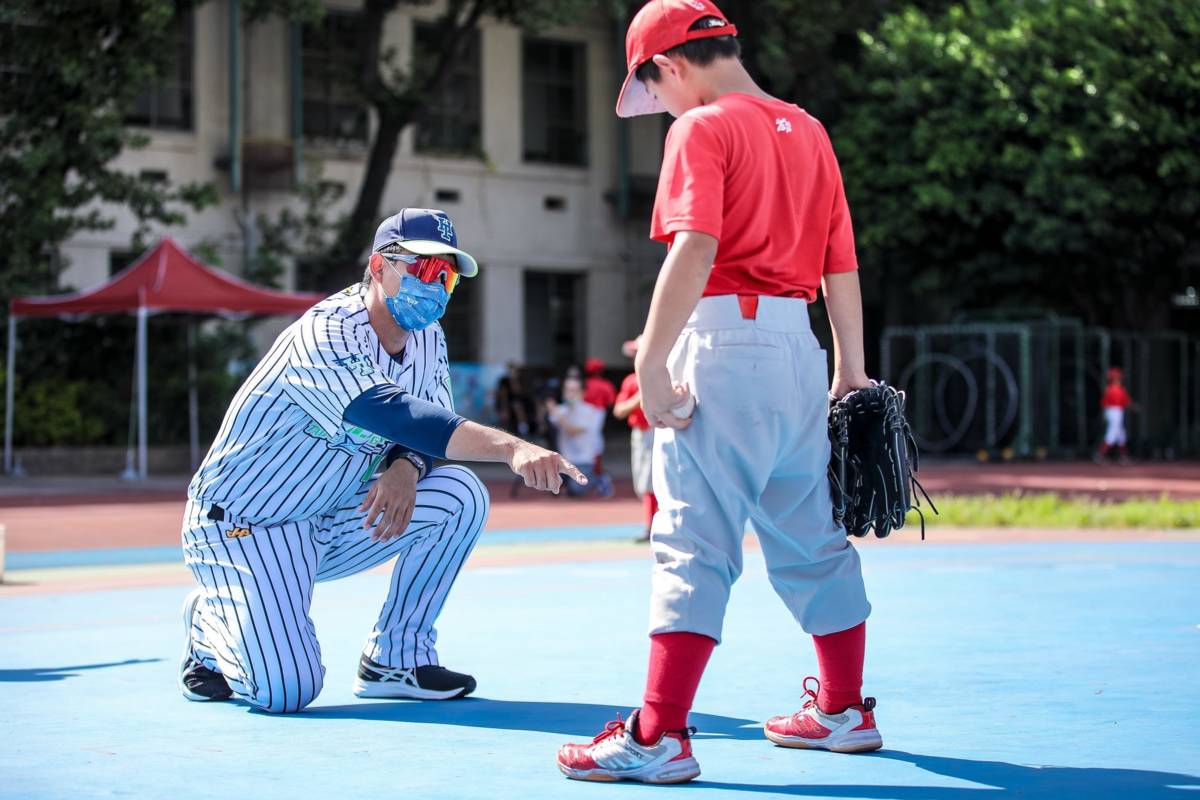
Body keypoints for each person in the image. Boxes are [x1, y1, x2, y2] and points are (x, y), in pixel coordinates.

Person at [556, 1, 878, 784]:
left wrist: (656, 362)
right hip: (799, 348)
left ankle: (658, 734)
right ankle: (843, 709)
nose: (659, 108)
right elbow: (840, 262)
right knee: (813, 536)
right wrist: (850, 370)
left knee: (693, 543)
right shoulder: (810, 128)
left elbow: (696, 247)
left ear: (668, 65)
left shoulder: (699, 130)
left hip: (724, 345)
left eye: (654, 91)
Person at [178, 208, 585, 714]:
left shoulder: (427, 337)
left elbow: (426, 429)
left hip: (331, 517)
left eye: (449, 276)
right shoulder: (324, 333)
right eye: (425, 269)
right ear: (379, 267)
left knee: (461, 494)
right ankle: (214, 617)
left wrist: (405, 467)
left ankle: (396, 659)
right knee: (287, 691)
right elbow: (395, 413)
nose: (436, 287)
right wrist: (512, 447)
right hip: (246, 525)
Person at [615, 338, 657, 542]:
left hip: (658, 430)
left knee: (652, 481)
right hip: (641, 433)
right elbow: (619, 411)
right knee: (643, 481)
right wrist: (640, 396)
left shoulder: (663, 376)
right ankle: (653, 524)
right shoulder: (631, 381)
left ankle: (653, 526)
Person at [546, 375, 615, 498]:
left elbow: (572, 430)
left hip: (584, 460)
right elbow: (549, 424)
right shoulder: (561, 410)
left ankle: (599, 478)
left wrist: (554, 410)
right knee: (551, 487)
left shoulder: (591, 411)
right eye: (567, 390)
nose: (570, 394)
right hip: (564, 461)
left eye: (574, 390)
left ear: (582, 392)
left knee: (576, 491)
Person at [1095, 366, 1133, 464]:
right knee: (1112, 434)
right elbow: (1127, 403)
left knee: (1121, 435)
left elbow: (1103, 403)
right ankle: (1100, 455)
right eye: (1119, 377)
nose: (1120, 379)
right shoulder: (1117, 389)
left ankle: (1124, 456)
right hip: (1116, 412)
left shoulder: (1109, 389)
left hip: (1110, 412)